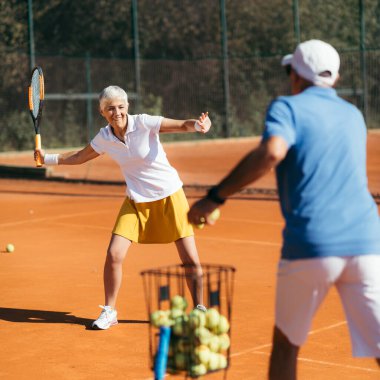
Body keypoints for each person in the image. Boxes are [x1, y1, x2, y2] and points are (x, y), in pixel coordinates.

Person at [188, 39, 380, 379]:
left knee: (286, 346)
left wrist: (214, 197)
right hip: (368, 242)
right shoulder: (354, 115)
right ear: (333, 78)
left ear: (296, 76)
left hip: (312, 244)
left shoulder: (287, 108)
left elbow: (273, 152)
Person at [35, 85, 211, 330]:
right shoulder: (105, 138)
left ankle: (200, 308)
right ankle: (110, 311)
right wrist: (47, 158)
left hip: (170, 196)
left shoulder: (144, 123)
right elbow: (79, 156)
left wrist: (199, 125)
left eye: (120, 106)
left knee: (190, 259)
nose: (116, 112)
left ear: (127, 106)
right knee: (114, 254)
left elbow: (182, 125)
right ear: (102, 112)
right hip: (136, 201)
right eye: (110, 109)